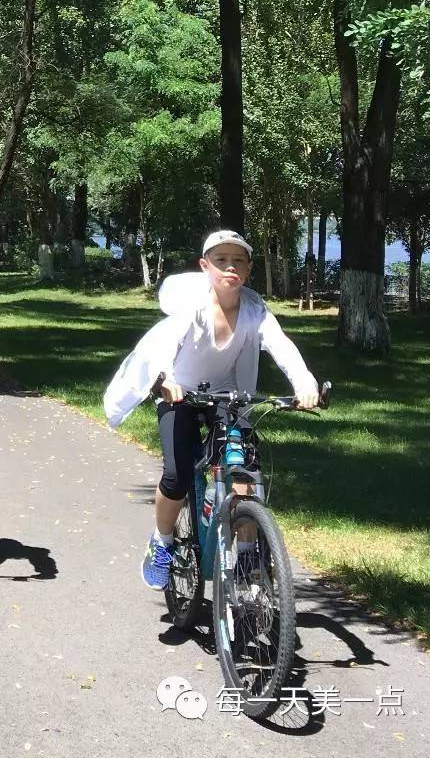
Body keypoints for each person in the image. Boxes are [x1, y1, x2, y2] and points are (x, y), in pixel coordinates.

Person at [102, 230, 319, 590]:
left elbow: (282, 346)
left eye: (238, 260)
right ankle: (162, 541)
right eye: (221, 260)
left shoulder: (254, 310)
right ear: (206, 267)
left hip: (227, 396)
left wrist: (304, 384)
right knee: (177, 475)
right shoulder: (193, 307)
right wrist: (162, 380)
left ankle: (249, 554)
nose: (230, 267)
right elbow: (163, 346)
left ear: (248, 269)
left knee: (243, 472)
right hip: (179, 394)